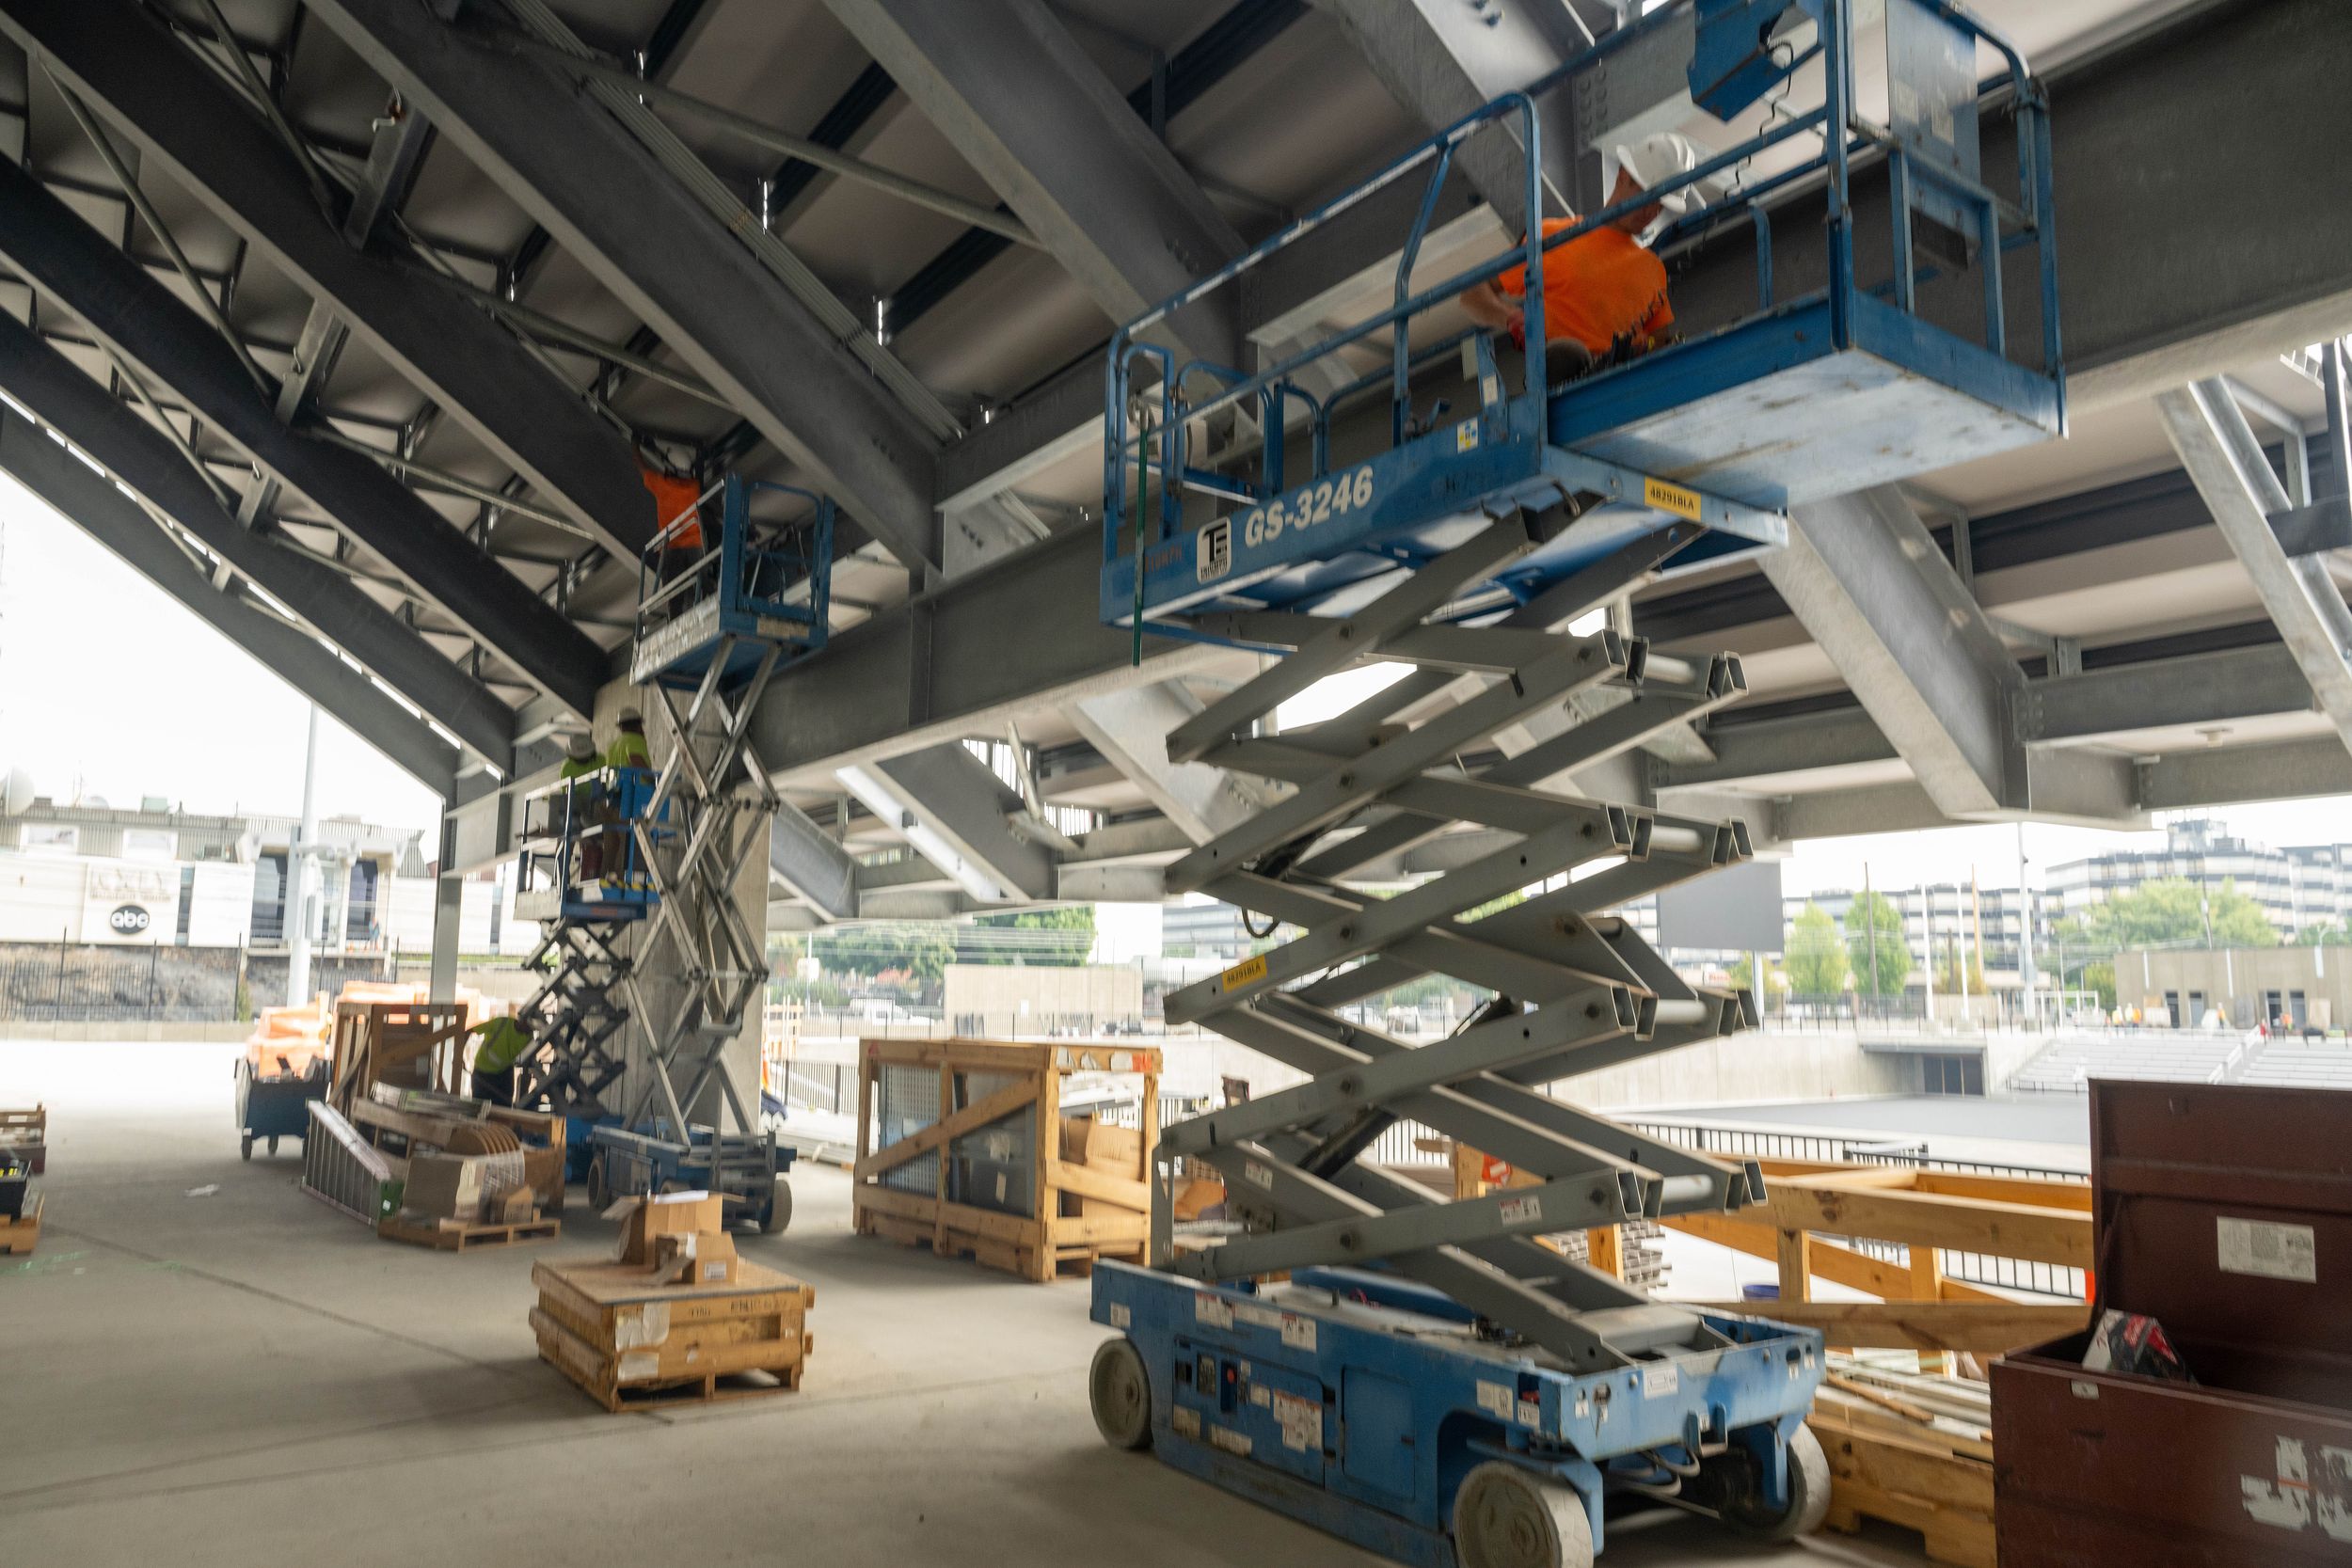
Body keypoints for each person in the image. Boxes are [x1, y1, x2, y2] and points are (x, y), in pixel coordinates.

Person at [1461, 132, 1706, 388]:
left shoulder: (1652, 268)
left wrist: (1651, 348)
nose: (1652, 211)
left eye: (1661, 205)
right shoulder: (1554, 237)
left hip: (1630, 382)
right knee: (1565, 355)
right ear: (1623, 176)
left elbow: (1661, 344)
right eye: (1649, 196)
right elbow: (1472, 293)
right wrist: (1511, 319)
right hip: (1569, 376)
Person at [468, 1012, 533, 1109]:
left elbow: (527, 1063)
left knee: (504, 1109)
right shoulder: (501, 1022)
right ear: (521, 1021)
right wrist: (459, 1055)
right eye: (529, 1027)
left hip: (504, 1074)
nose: (529, 1030)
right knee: (478, 1108)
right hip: (482, 1073)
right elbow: (469, 1031)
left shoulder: (528, 1037)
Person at [607, 705, 653, 770]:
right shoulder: (635, 739)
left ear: (620, 727)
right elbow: (636, 760)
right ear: (639, 725)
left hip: (616, 780)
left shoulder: (612, 745)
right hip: (635, 780)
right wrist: (653, 779)